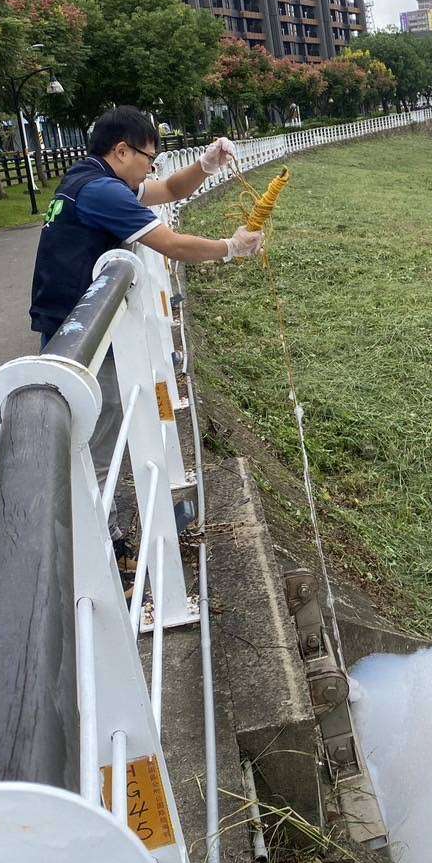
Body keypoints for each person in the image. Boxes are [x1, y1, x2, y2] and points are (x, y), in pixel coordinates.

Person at [29, 106, 262, 554]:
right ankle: (99, 541)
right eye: (147, 159)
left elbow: (172, 189)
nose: (151, 169)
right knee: (97, 433)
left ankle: (99, 529)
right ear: (121, 150)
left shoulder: (90, 179)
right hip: (82, 334)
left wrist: (205, 165)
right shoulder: (102, 192)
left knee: (97, 428)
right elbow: (170, 244)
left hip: (68, 322)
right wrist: (230, 249)